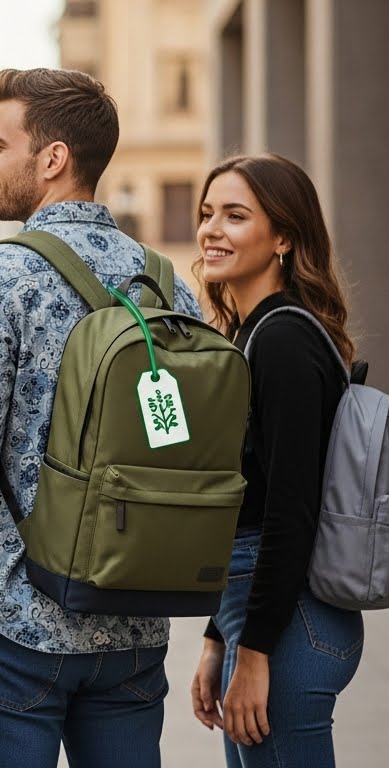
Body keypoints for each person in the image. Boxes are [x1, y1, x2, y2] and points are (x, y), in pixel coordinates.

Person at [0, 68, 205, 767]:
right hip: (131, 619)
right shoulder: (164, 283)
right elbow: (182, 444)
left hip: (12, 619)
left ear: (52, 159)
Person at [187, 153, 363, 766]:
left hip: (292, 631)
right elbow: (251, 498)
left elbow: (291, 511)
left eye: (236, 216)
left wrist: (254, 652)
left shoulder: (284, 340)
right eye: (208, 214)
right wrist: (219, 639)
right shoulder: (255, 334)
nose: (212, 230)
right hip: (265, 623)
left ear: (283, 236)